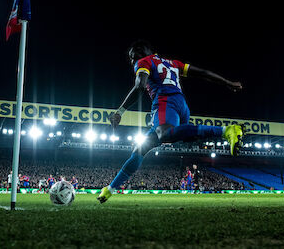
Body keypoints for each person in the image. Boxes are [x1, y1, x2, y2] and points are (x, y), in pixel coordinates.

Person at [98, 40, 244, 203]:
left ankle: (225, 131)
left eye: (133, 57)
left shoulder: (144, 62)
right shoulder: (173, 63)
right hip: (181, 105)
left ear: (142, 52)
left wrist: (120, 112)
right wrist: (228, 83)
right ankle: (109, 189)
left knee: (165, 134)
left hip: (165, 102)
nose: (133, 61)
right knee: (141, 148)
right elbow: (203, 72)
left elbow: (140, 86)